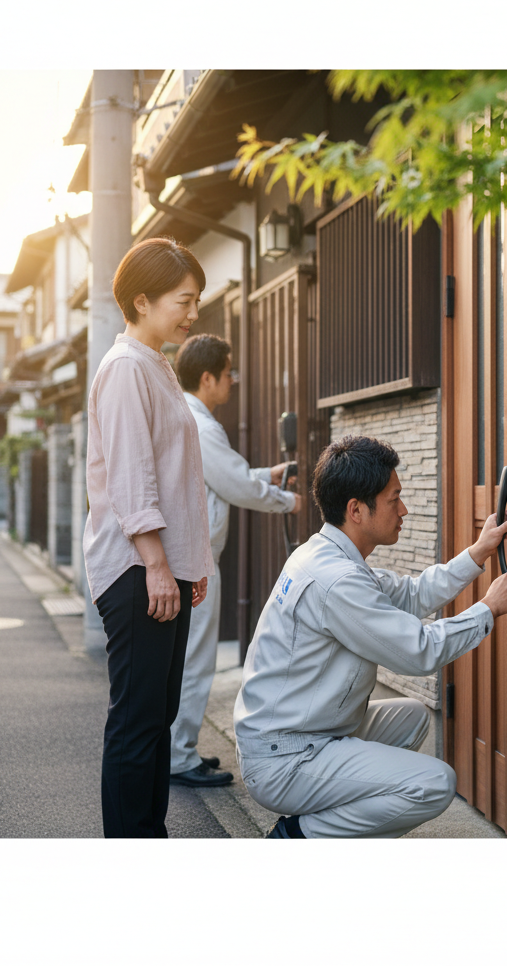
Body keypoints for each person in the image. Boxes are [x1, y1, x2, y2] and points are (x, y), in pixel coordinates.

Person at [233, 434, 507, 838]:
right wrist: (489, 608)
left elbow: (411, 594)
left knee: (411, 718)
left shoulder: (327, 554)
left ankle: (335, 819)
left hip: (300, 734)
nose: (403, 509)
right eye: (394, 499)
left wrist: (478, 552)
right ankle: (298, 837)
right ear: (356, 510)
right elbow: (418, 652)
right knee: (433, 783)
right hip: (286, 757)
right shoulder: (336, 580)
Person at [83, 237, 214, 838]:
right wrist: (161, 565)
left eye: (196, 301)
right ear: (141, 300)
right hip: (138, 568)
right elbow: (134, 476)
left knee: (156, 713)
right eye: (183, 301)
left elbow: (177, 475)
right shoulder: (125, 368)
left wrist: (191, 563)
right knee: (138, 718)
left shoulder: (155, 363)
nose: (193, 314)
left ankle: (147, 835)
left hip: (162, 567)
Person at [168, 333, 301, 787]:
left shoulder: (185, 417)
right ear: (208, 378)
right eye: (228, 373)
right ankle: (178, 756)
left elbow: (224, 475)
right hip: (196, 562)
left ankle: (176, 749)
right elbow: (237, 487)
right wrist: (288, 500)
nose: (232, 381)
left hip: (183, 557)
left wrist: (268, 475)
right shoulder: (201, 425)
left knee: (183, 659)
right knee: (195, 661)